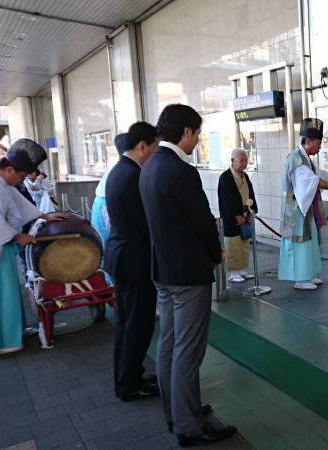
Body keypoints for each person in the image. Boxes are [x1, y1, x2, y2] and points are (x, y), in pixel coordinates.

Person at [139, 104, 236, 446]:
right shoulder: (182, 171)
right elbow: (203, 221)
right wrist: (214, 255)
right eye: (196, 134)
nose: (197, 140)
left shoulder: (149, 167)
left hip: (163, 270)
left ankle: (179, 410)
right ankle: (188, 425)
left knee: (168, 343)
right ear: (186, 132)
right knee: (188, 350)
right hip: (188, 273)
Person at [0, 139, 67, 356]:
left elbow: (18, 202)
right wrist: (17, 236)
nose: (22, 180)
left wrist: (43, 216)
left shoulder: (0, 181)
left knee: (8, 292)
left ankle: (13, 332)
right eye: (22, 176)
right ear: (10, 169)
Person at [104, 121, 161, 402]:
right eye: (154, 147)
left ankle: (128, 377)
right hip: (134, 262)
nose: (155, 153)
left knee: (127, 324)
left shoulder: (119, 171)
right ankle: (129, 385)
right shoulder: (133, 176)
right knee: (138, 325)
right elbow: (146, 224)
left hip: (123, 258)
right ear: (142, 146)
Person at [278, 118, 328, 290]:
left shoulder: (305, 159)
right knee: (300, 243)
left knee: (309, 241)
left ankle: (308, 274)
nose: (320, 147)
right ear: (308, 141)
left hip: (304, 209)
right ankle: (300, 279)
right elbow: (313, 181)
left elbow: (322, 175)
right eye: (318, 143)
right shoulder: (295, 160)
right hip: (295, 210)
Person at [217, 148, 258, 283]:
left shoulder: (245, 176)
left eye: (246, 160)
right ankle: (232, 272)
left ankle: (240, 269)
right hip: (232, 218)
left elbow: (251, 194)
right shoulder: (225, 177)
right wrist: (236, 215)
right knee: (233, 243)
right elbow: (226, 200)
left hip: (246, 213)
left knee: (243, 242)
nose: (244, 163)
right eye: (241, 160)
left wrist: (251, 212)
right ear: (232, 161)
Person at [90, 133, 127, 247]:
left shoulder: (120, 164)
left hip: (104, 205)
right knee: (107, 243)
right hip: (105, 206)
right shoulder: (122, 165)